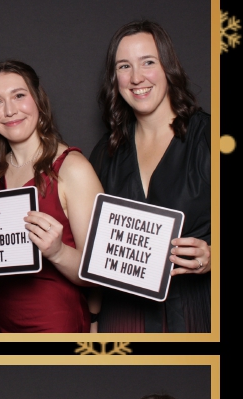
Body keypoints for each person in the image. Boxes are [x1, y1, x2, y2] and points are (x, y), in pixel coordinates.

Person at [89, 20, 211, 332]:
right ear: (115, 78)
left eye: (148, 62)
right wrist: (92, 320)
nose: (136, 78)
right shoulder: (105, 153)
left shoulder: (209, 137)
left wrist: (214, 256)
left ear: (168, 67)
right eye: (124, 66)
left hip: (197, 314)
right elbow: (94, 248)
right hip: (123, 320)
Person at [0, 60, 102, 333]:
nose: (9, 110)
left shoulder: (73, 168)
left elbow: (99, 273)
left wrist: (58, 252)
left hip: (51, 325)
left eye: (19, 95)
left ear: (38, 100)